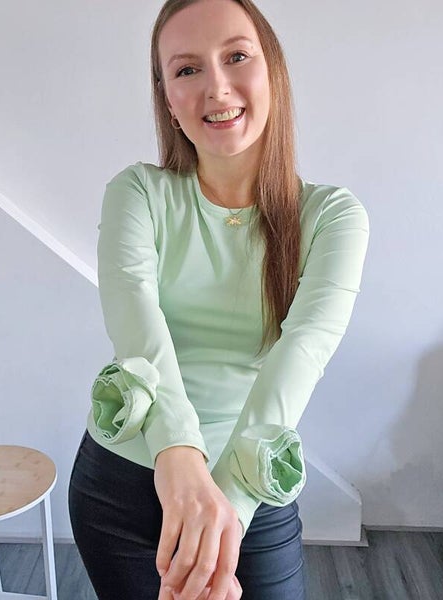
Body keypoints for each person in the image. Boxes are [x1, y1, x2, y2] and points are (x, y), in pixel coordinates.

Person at [68, 0, 370, 599]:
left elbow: (302, 353)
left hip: (250, 484)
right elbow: (137, 330)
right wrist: (180, 463)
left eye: (236, 56)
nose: (216, 87)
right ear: (167, 99)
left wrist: (221, 518)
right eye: (187, 69)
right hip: (122, 489)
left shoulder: (333, 216)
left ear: (272, 69)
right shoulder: (137, 193)